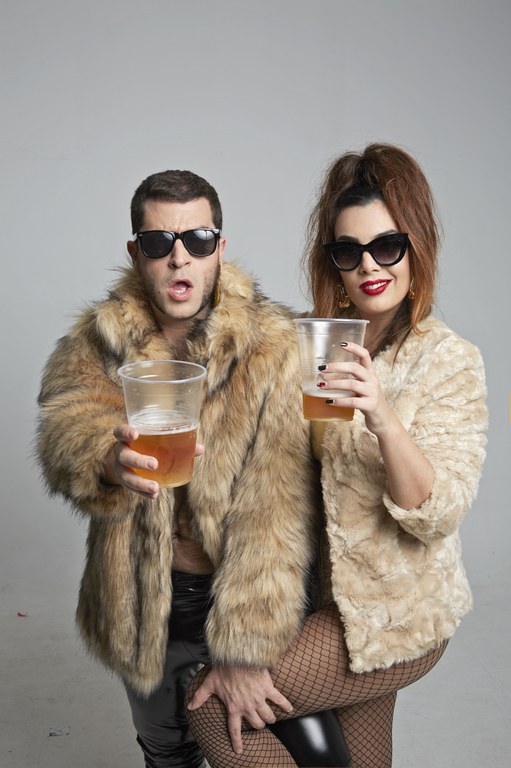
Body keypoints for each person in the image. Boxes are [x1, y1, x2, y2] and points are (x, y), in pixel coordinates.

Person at [186, 143, 489, 767]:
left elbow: (437, 512)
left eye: (387, 246)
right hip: (320, 600)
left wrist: (381, 415)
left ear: (417, 247)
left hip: (395, 614)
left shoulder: (448, 360)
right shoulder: (315, 341)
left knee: (217, 707)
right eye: (348, 252)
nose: (369, 265)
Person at [36, 169, 342, 768]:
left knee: (318, 756)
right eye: (159, 243)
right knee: (167, 752)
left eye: (197, 240)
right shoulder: (99, 340)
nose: (179, 258)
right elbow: (65, 422)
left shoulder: (274, 345)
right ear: (136, 253)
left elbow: (277, 505)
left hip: (249, 596)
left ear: (220, 248)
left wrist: (245, 646)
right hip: (142, 602)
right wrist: (106, 457)